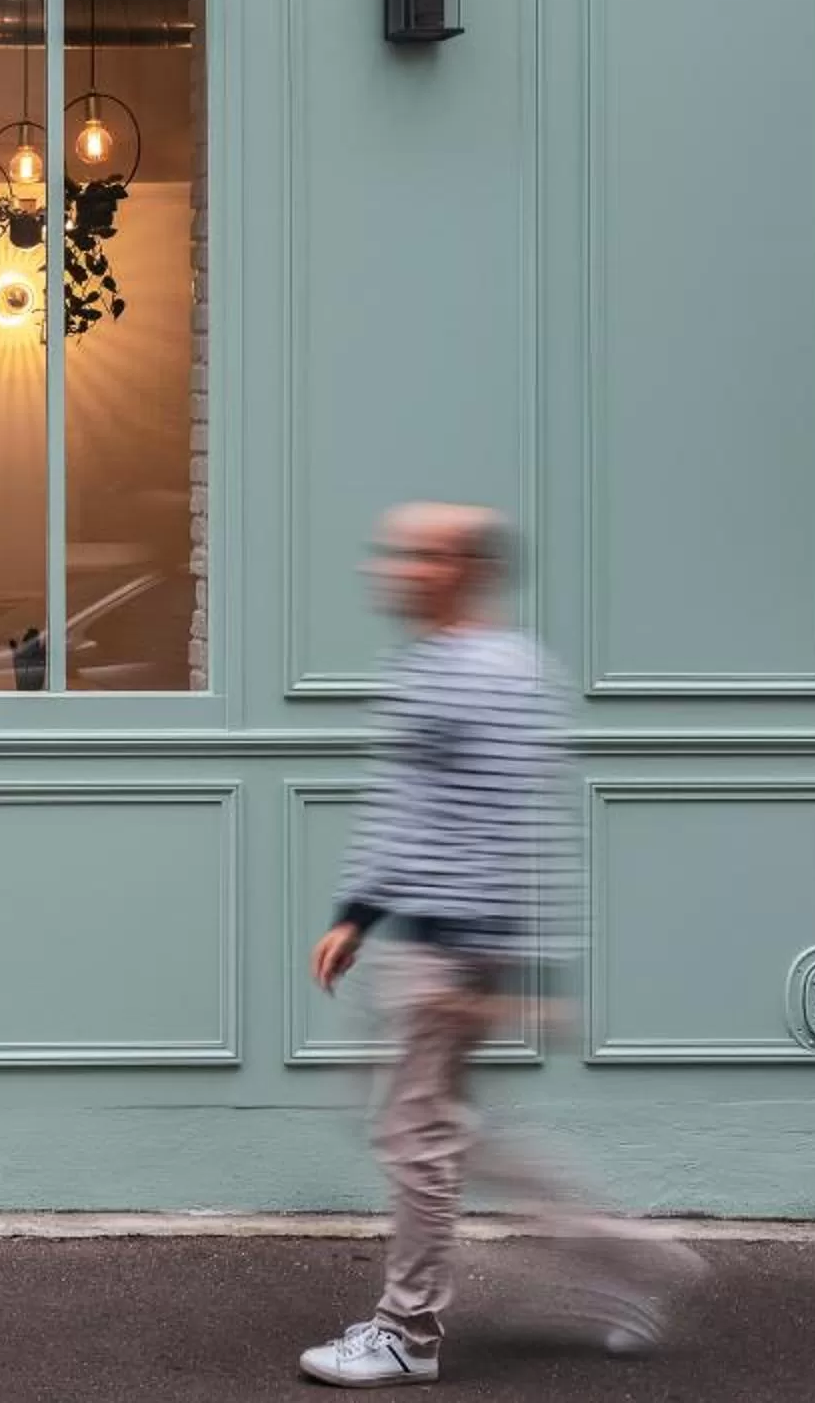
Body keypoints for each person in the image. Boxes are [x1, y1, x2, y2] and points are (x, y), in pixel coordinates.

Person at [298, 503, 697, 1389]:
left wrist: (482, 957)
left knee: (418, 1142)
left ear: (467, 568)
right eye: (397, 552)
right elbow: (410, 808)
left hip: (451, 949)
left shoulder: (501, 674)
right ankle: (626, 1260)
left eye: (420, 556)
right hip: (425, 941)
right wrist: (359, 914)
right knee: (441, 1135)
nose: (397, 568)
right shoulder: (431, 663)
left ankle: (409, 1332)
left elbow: (510, 822)